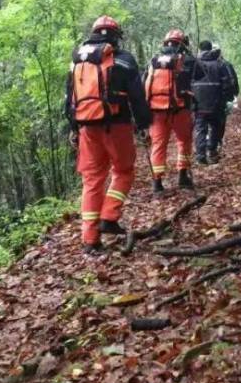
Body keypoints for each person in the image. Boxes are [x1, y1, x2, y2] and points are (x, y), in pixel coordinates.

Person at [64, 15, 151, 254]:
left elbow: (69, 98)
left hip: (86, 127)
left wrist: (73, 128)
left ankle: (90, 240)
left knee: (92, 180)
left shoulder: (77, 60)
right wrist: (144, 124)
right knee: (124, 171)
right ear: (116, 36)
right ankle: (109, 216)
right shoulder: (123, 60)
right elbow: (137, 97)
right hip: (118, 125)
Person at [144, 29, 195, 193]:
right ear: (183, 44)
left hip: (157, 111)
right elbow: (199, 76)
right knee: (184, 141)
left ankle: (157, 184)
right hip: (180, 110)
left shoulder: (154, 61)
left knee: (158, 145)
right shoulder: (187, 60)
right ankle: (182, 176)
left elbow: (143, 83)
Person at [191, 40, 233, 165]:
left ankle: (200, 155)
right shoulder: (220, 64)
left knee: (200, 129)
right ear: (211, 49)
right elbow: (227, 83)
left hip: (199, 104)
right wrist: (226, 99)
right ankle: (212, 151)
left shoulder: (194, 64)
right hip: (216, 103)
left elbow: (188, 83)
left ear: (200, 49)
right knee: (215, 127)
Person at [212, 44, 240, 152]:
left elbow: (233, 79)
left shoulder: (225, 64)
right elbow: (233, 80)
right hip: (222, 98)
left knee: (218, 120)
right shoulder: (225, 64)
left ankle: (215, 141)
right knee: (220, 119)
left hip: (216, 98)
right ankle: (216, 141)